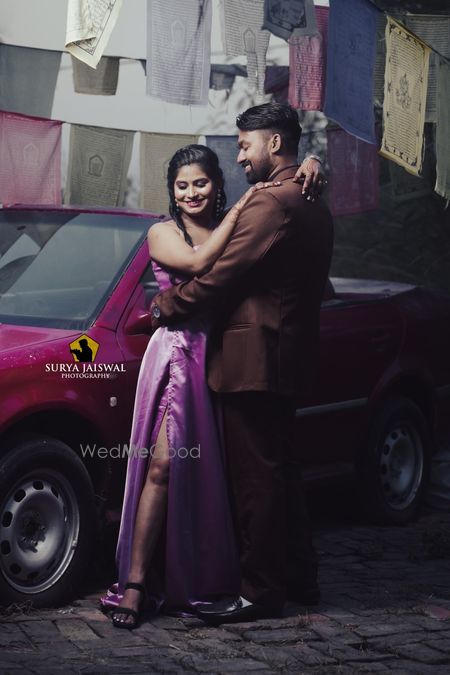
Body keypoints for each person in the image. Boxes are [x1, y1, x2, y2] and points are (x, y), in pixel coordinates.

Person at [102, 142, 323, 629]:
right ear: (172, 191)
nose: (191, 193)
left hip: (222, 356)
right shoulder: (164, 232)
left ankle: (202, 575)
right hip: (179, 356)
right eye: (181, 186)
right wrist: (243, 206)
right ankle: (135, 584)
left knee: (217, 473)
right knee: (163, 465)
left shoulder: (237, 225)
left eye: (200, 182)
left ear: (216, 184)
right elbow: (200, 263)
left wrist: (313, 162)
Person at [151, 103, 334, 625]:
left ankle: (260, 592)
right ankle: (301, 578)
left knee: (257, 480)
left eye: (245, 145)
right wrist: (315, 161)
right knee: (283, 472)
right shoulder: (313, 197)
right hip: (289, 354)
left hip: (254, 359)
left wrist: (164, 306)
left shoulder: (271, 202)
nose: (239, 156)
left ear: (274, 144)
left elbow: (220, 277)